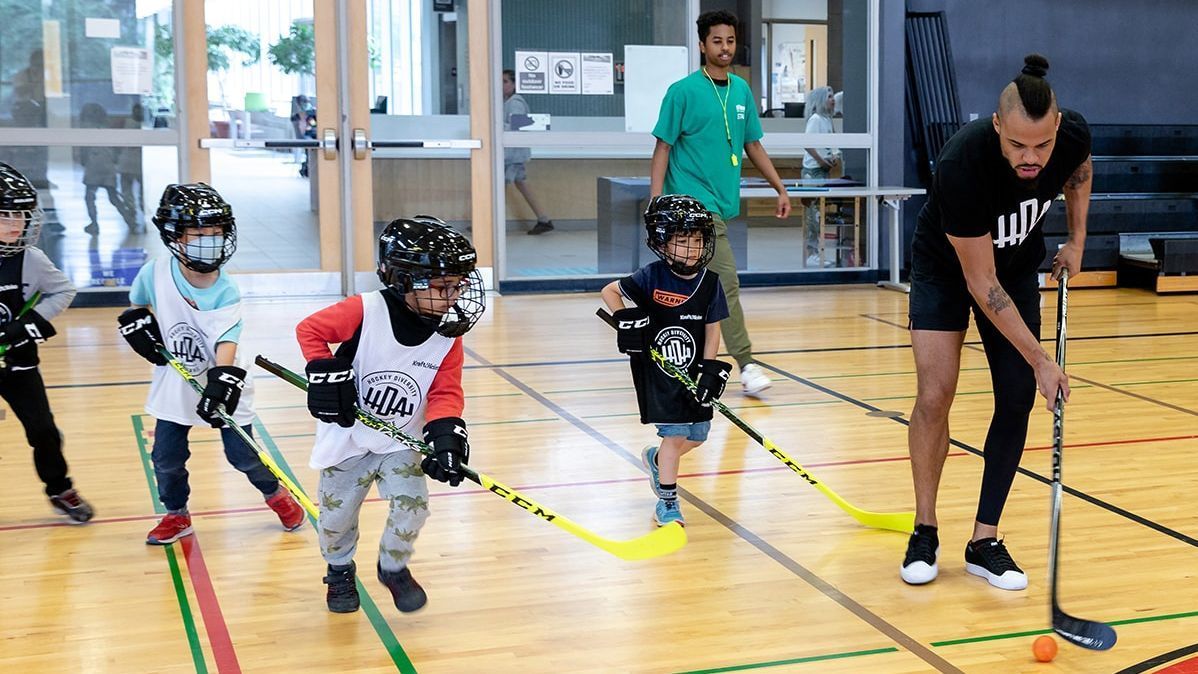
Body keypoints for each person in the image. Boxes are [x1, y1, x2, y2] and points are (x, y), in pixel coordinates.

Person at [900, 54, 1092, 591]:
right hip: (946, 269)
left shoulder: (1071, 136)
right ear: (997, 126)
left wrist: (1076, 241)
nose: (1031, 159)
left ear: (1056, 127)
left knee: (1016, 397)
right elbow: (982, 287)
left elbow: (1080, 170)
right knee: (936, 395)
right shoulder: (963, 163)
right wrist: (1043, 359)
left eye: (1042, 145)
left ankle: (985, 540)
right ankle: (924, 529)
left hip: (1015, 266)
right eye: (1017, 146)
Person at [295, 216, 486, 614]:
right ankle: (339, 571)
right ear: (403, 280)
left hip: (401, 441)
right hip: (348, 440)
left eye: (458, 286)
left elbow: (445, 391)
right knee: (336, 519)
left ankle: (393, 566)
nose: (452, 297)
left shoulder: (447, 334)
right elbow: (309, 330)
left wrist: (447, 436)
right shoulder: (364, 310)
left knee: (412, 504)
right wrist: (325, 370)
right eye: (441, 287)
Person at [117, 183, 305, 544]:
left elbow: (226, 341)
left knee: (243, 456)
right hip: (175, 381)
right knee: (166, 458)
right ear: (175, 236)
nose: (210, 241)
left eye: (216, 233)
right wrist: (138, 327)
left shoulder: (226, 289)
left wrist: (221, 384)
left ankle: (276, 494)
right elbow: (137, 306)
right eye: (200, 233)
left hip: (221, 379)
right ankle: (176, 515)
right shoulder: (154, 273)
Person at [650, 10, 791, 397]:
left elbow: (753, 145)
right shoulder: (682, 92)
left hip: (722, 205)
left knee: (694, 287)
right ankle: (746, 364)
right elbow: (663, 146)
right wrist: (655, 201)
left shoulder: (742, 91)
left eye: (730, 41)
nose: (725, 48)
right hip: (691, 209)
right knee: (725, 282)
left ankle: (675, 358)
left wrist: (780, 187)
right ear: (701, 45)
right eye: (717, 41)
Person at [600, 195, 731, 527]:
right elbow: (610, 292)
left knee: (698, 434)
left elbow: (712, 329)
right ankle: (668, 502)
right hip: (659, 371)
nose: (692, 249)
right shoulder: (651, 276)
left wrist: (709, 368)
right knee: (674, 436)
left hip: (692, 371)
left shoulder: (710, 283)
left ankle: (657, 460)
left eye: (698, 241)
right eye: (683, 241)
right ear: (662, 242)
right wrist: (625, 319)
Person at [0, 162, 93, 523]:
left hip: (20, 365)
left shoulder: (31, 259)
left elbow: (64, 290)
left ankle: (60, 489)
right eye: (5, 214)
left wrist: (29, 325)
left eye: (21, 215)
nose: (15, 223)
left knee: (43, 431)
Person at [501, 69, 553, 235]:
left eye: (505, 82)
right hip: (514, 153)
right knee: (520, 183)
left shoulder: (515, 102)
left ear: (515, 84)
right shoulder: (507, 102)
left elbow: (518, 126)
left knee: (499, 185)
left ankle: (487, 220)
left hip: (514, 154)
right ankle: (544, 219)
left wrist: (496, 127)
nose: (501, 85)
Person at [79, 103, 137, 235]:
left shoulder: (86, 129)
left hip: (93, 165)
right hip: (108, 165)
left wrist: (83, 161)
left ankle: (94, 224)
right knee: (113, 196)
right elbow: (115, 150)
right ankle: (130, 221)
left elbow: (84, 150)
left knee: (90, 197)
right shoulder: (106, 127)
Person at [801, 86, 841, 267]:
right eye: (829, 97)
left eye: (833, 96)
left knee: (819, 214)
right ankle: (811, 253)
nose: (833, 100)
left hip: (823, 170)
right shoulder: (816, 119)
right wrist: (821, 160)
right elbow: (808, 144)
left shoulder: (827, 120)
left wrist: (833, 157)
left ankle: (817, 252)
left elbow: (832, 144)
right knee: (813, 215)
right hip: (813, 172)